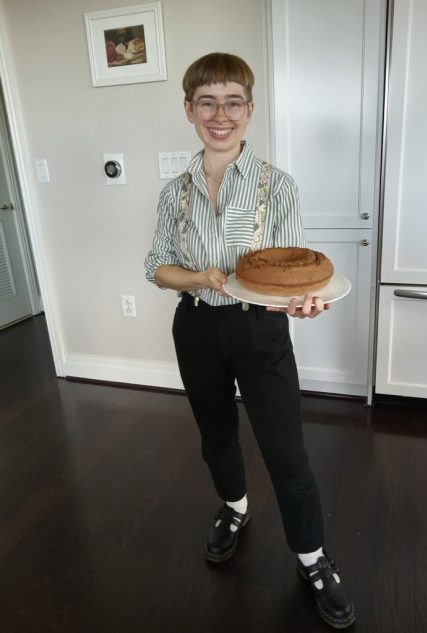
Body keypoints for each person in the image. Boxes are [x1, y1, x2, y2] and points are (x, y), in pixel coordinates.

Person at [144, 52, 355, 629]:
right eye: (206, 101)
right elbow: (157, 267)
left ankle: (311, 558)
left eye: (232, 101)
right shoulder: (174, 192)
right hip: (196, 326)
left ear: (250, 109)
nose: (221, 113)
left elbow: (290, 270)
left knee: (285, 449)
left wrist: (303, 302)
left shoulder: (275, 185)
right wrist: (202, 278)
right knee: (216, 435)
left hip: (260, 330)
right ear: (189, 109)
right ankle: (234, 509)